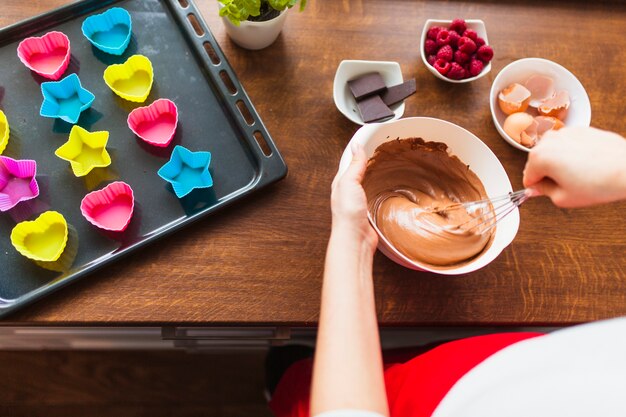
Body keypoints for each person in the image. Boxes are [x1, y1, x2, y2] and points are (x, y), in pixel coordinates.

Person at [267, 127, 626, 417]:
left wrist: (352, 231)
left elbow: (344, 407)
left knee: (305, 392)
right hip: (524, 361)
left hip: (433, 402)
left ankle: (286, 382)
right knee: (420, 357)